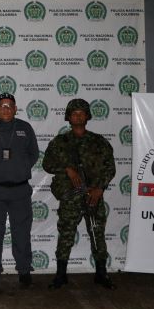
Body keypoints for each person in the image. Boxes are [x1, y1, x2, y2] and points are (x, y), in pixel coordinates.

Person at [42, 98, 116, 290]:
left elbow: (110, 168)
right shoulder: (60, 142)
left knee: (97, 234)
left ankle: (101, 274)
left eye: (81, 113)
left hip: (93, 195)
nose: (77, 116)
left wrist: (99, 188)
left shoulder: (99, 142)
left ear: (87, 116)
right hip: (71, 196)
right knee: (66, 235)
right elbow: (47, 164)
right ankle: (61, 275)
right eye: (74, 113)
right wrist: (67, 169)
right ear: (68, 117)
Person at [0, 93, 39, 288]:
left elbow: (34, 154)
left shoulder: (25, 128)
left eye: (10, 105)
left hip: (20, 191)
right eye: (2, 105)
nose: (6, 109)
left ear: (15, 109)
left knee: (22, 232)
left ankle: (24, 270)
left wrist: (20, 168)